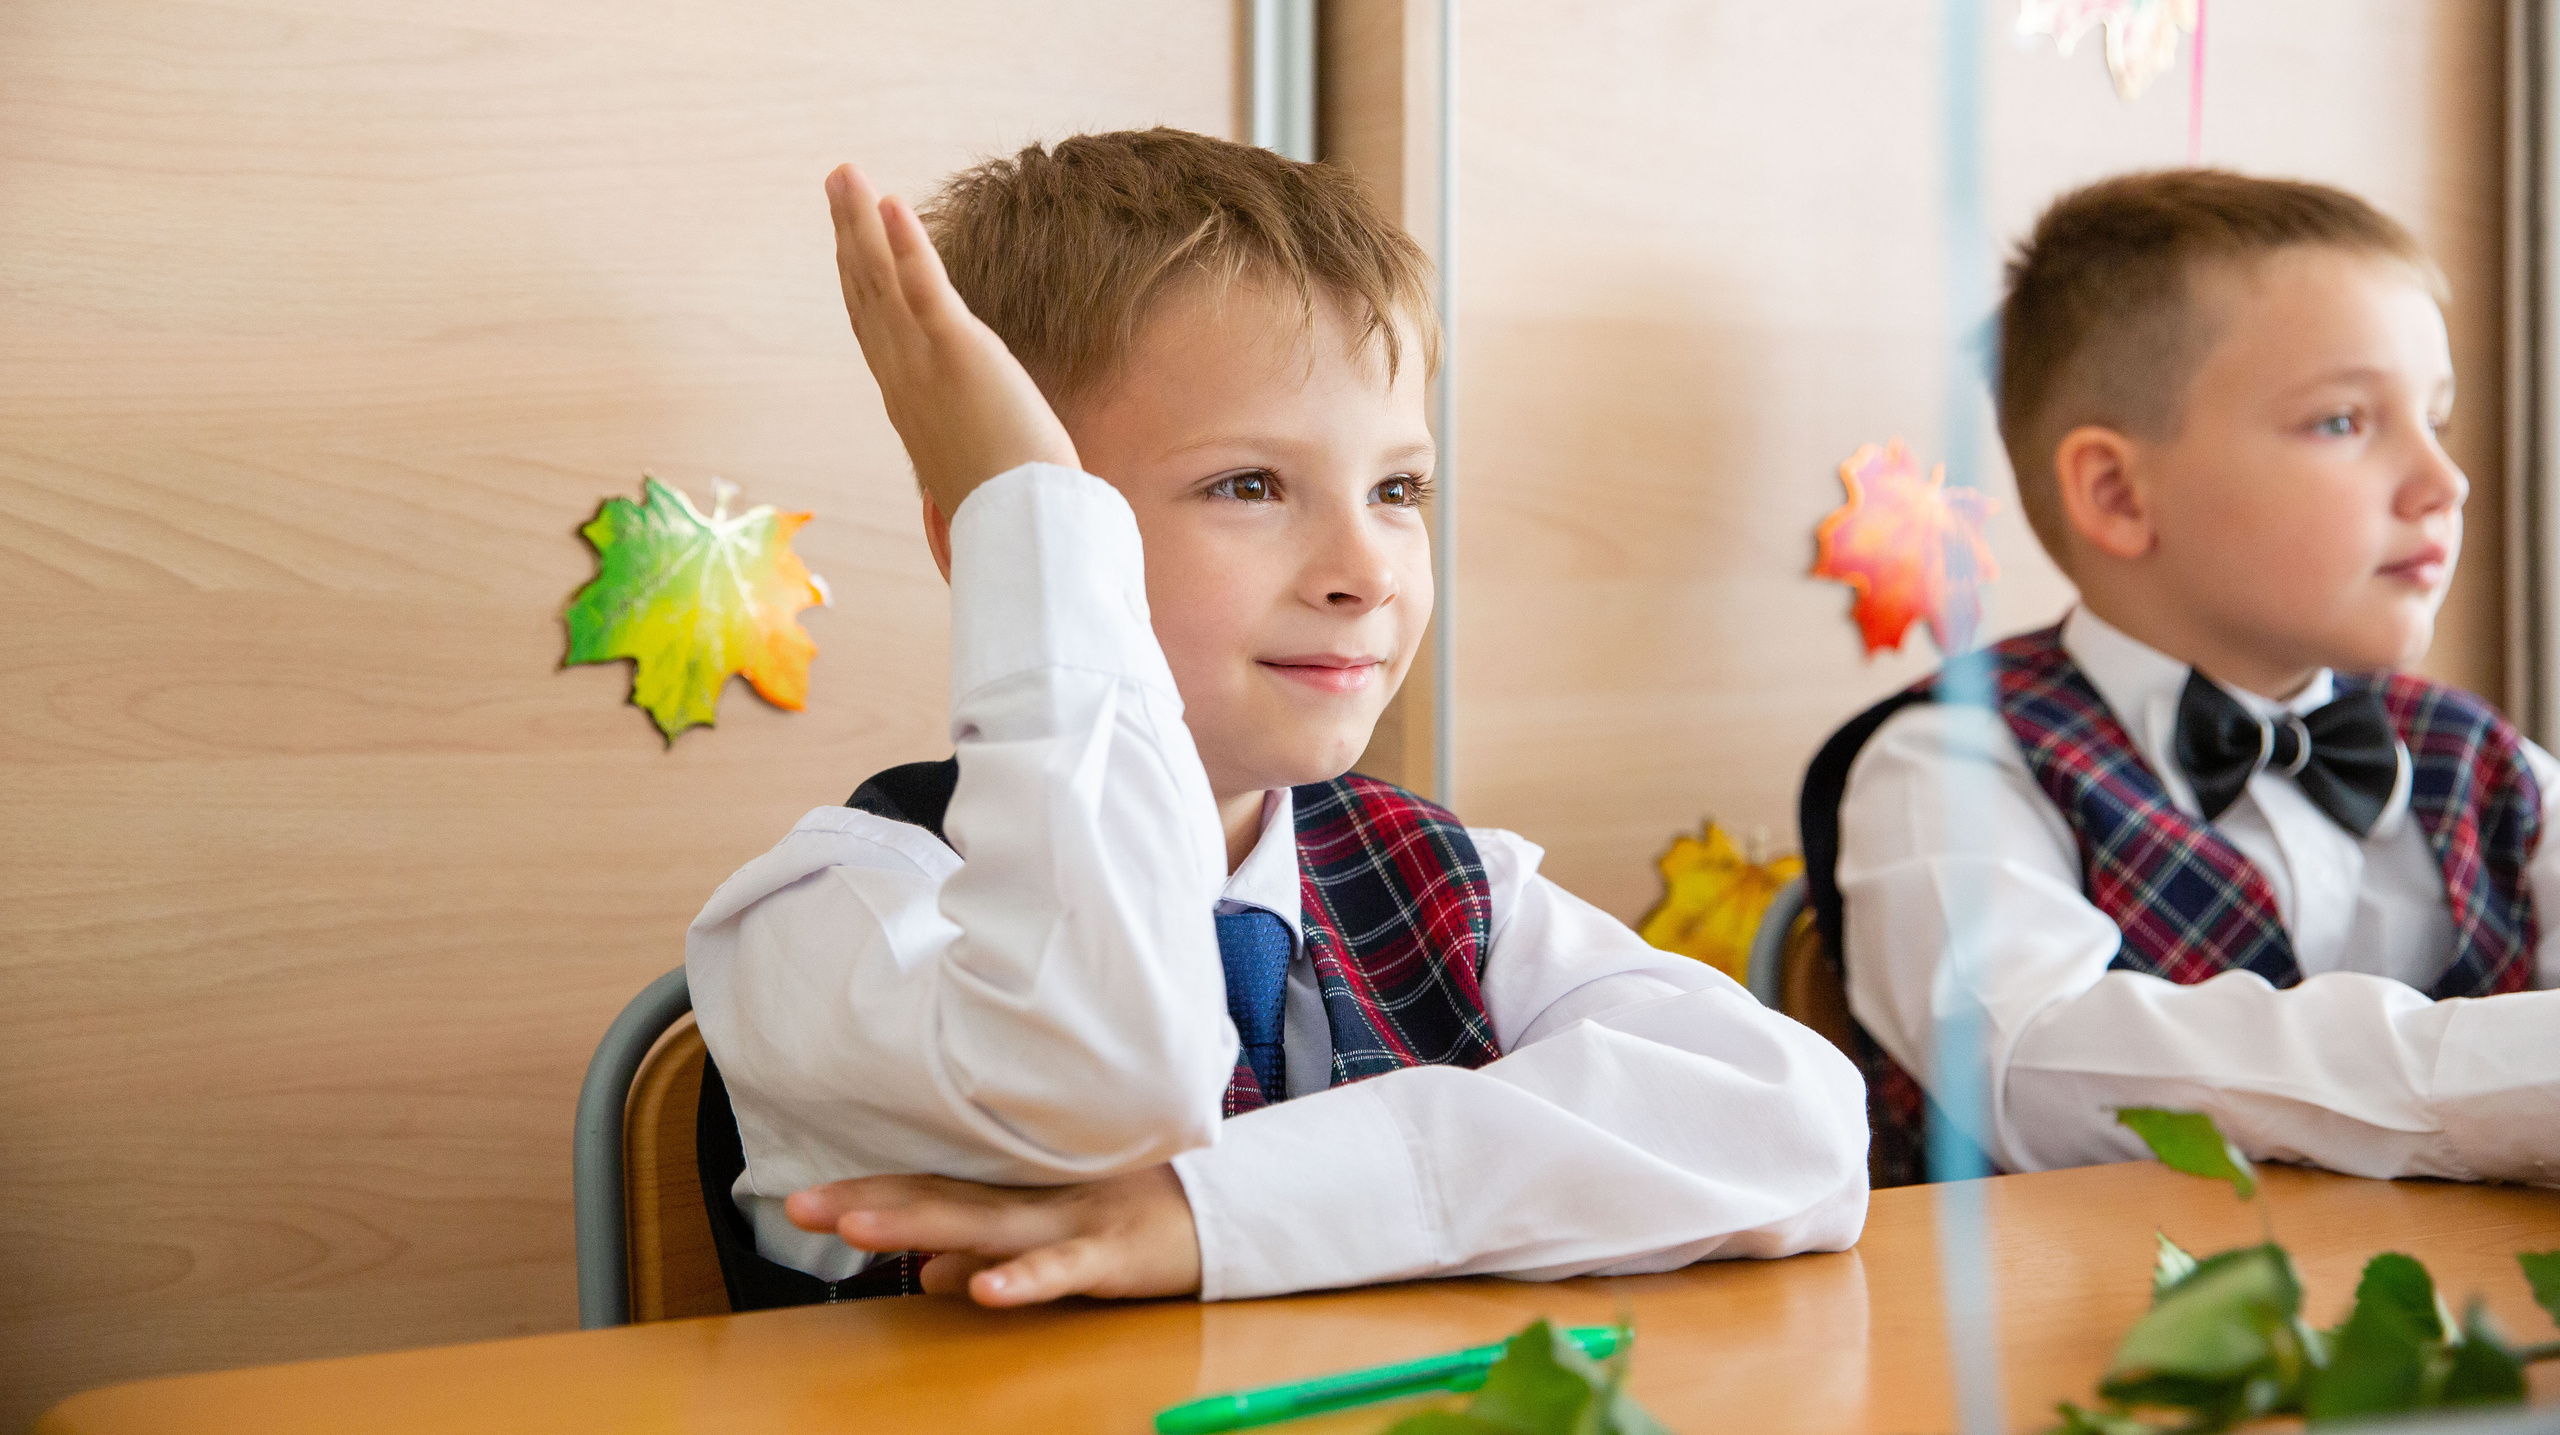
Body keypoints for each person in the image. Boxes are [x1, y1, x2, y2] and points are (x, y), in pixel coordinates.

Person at [687, 129, 1868, 1308]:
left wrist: (1216, 1217)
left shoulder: (1446, 880)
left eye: (1397, 489)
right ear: (1000, 536)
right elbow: (1112, 1078)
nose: (1365, 571)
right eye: (1247, 486)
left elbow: (1795, 1124)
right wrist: (1026, 522)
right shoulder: (827, 919)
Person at [1802, 169, 2557, 1189]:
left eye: (2437, 419)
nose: (2443, 483)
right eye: (2342, 421)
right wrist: (2487, 1081)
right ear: (2116, 493)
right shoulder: (1953, 760)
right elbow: (2031, 1068)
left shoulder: (2488, 763)